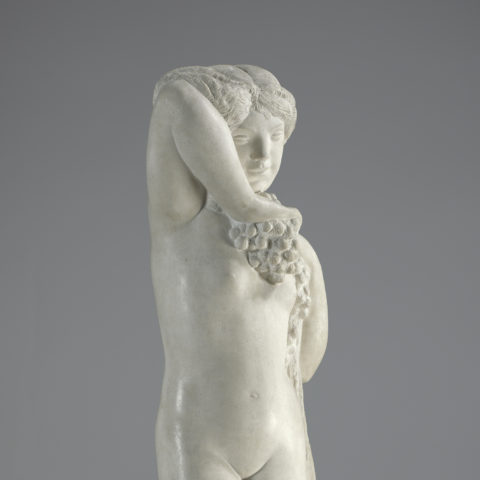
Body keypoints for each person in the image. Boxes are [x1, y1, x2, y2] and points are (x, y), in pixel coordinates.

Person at [147, 65, 328, 480]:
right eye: (242, 139)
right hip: (201, 436)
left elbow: (302, 367)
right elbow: (175, 100)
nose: (263, 154)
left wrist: (298, 265)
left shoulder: (297, 250)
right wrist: (246, 205)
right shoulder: (181, 223)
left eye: (276, 137)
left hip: (282, 436)